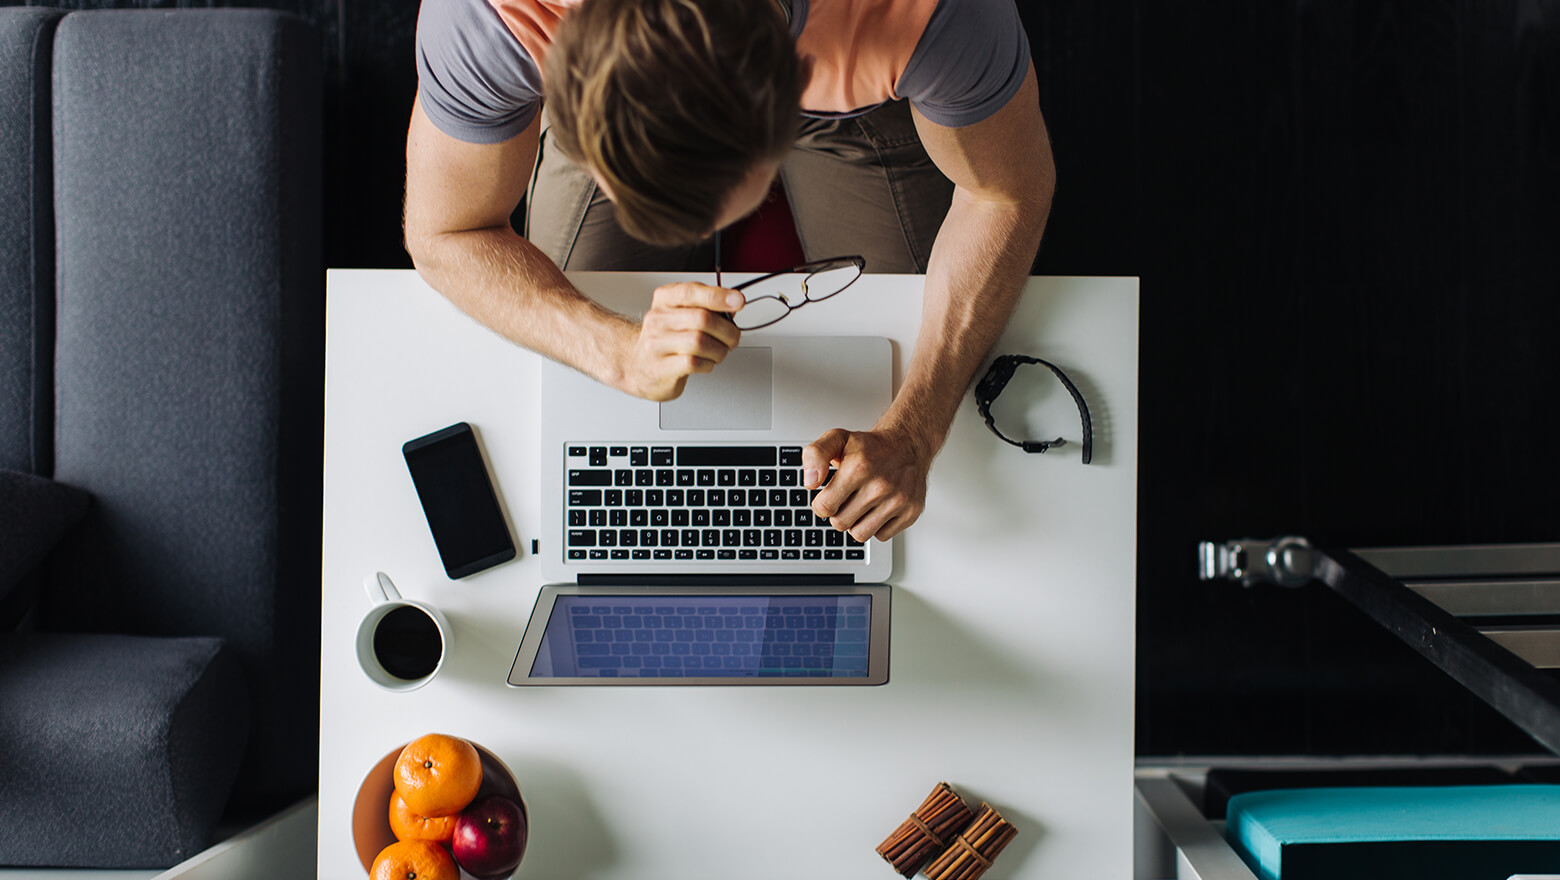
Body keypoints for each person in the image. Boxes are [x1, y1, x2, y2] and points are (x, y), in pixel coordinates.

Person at [404, 0, 1055, 543]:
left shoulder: (934, 14)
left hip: (862, 90)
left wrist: (916, 428)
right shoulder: (489, 18)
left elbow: (1006, 193)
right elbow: (445, 232)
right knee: (583, 394)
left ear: (799, 83)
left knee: (903, 357)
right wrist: (615, 350)